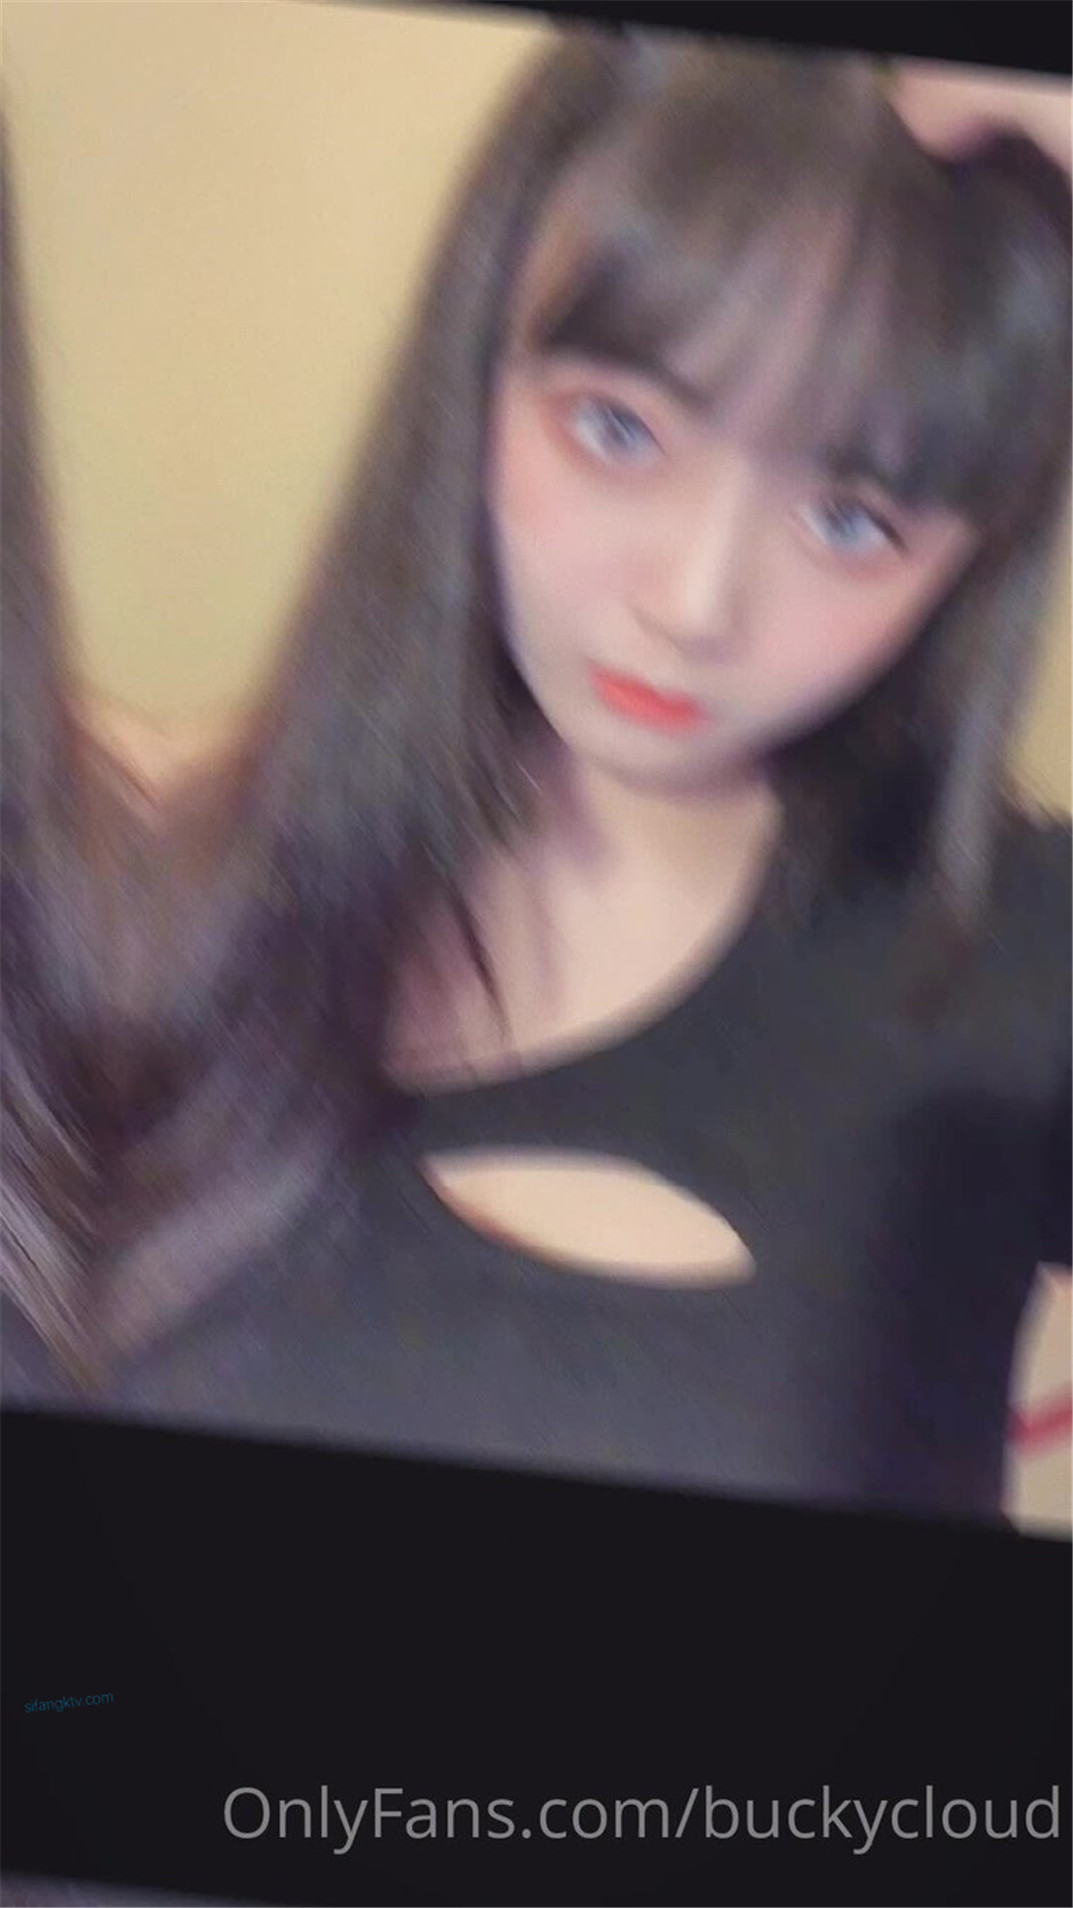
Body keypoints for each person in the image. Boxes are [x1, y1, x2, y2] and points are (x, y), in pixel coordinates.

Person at [2, 26, 1070, 1526]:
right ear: (478, 370)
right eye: (616, 430)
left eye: (850, 521)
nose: (692, 603)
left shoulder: (1016, 965)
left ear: (966, 564)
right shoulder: (115, 890)